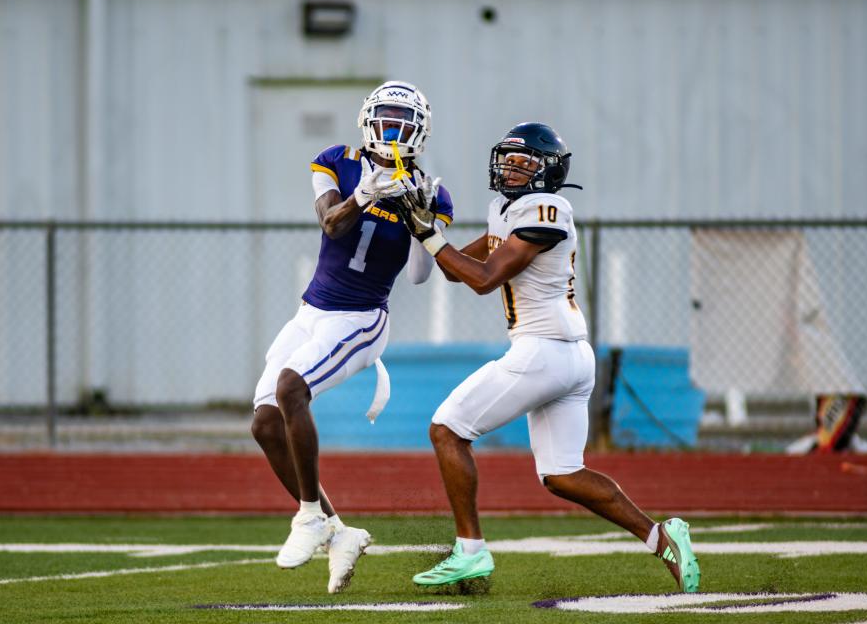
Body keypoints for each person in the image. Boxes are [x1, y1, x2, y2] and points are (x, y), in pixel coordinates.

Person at [389, 122, 700, 593]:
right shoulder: (508, 209)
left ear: (549, 172)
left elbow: (484, 278)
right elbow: (458, 270)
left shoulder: (546, 209)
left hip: (544, 351)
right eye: (508, 161)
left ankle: (470, 551)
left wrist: (431, 235)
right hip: (569, 355)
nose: (511, 170)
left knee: (447, 429)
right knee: (562, 475)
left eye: (524, 163)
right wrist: (424, 229)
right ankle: (662, 538)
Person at [251, 80, 454, 594]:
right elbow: (331, 224)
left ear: (419, 131)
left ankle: (309, 516)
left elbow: (416, 278)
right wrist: (367, 192)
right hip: (311, 312)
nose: (392, 129)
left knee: (291, 388)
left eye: (403, 121)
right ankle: (339, 532)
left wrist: (424, 225)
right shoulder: (335, 160)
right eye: (385, 117)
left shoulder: (431, 189)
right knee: (265, 424)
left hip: (361, 319)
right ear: (368, 120)